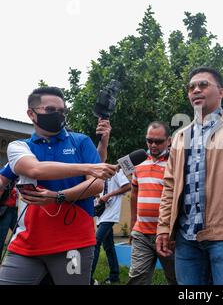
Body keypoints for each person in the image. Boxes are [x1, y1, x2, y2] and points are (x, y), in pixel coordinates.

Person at [156, 67, 223, 285]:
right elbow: (169, 187)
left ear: (221, 92)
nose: (196, 90)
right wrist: (163, 227)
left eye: (203, 85)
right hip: (185, 237)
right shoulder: (180, 136)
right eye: (191, 87)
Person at [0, 87, 117, 285]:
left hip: (75, 245)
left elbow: (96, 185)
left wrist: (58, 196)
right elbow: (34, 170)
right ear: (31, 113)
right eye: (50, 110)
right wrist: (88, 167)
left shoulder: (81, 142)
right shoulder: (20, 146)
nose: (58, 115)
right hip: (27, 245)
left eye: (62, 111)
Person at [128, 121, 177, 285]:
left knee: (177, 278)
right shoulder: (138, 165)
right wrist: (133, 224)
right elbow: (134, 194)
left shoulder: (176, 164)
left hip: (169, 235)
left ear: (169, 141)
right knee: (137, 279)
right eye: (149, 141)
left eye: (158, 141)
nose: (153, 145)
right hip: (141, 233)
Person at [91, 119, 131, 285]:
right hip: (102, 214)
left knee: (95, 243)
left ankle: (87, 277)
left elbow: (127, 186)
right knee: (109, 247)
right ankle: (114, 276)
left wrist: (109, 196)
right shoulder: (99, 173)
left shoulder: (114, 171)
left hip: (111, 214)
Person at [0, 167, 17, 258]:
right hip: (4, 210)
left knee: (19, 232)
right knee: (1, 237)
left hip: (14, 209)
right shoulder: (4, 175)